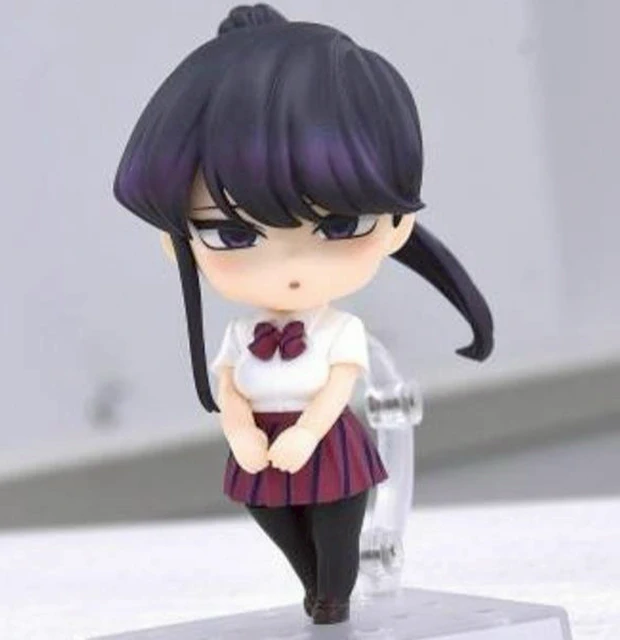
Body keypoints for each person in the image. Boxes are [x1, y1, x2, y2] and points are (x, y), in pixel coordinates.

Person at [113, 3, 494, 625]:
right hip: (262, 441)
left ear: (398, 225)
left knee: (337, 520)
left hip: (323, 438)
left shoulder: (340, 330)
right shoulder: (242, 333)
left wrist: (307, 433)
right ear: (174, 242)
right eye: (232, 233)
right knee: (269, 510)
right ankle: (314, 587)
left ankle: (332, 600)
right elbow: (230, 386)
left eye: (339, 226)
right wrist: (241, 431)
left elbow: (340, 385)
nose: (290, 267)